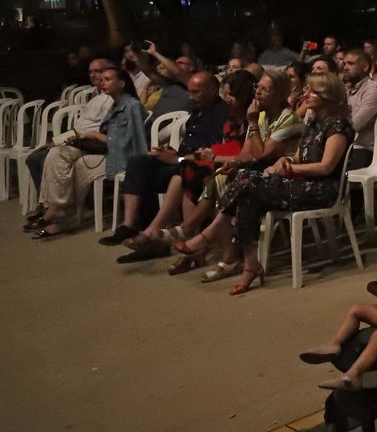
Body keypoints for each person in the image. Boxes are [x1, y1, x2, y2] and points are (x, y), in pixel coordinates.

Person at [173, 71, 350, 294]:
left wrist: (289, 167)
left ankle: (208, 237)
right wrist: (286, 160)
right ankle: (250, 265)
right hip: (301, 182)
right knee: (248, 193)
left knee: (248, 180)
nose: (306, 95)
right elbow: (298, 155)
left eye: (313, 91)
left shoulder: (337, 125)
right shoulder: (314, 122)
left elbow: (326, 167)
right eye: (307, 89)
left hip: (321, 189)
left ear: (328, 95)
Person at [100, 71, 227, 248]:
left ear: (214, 89)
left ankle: (152, 234)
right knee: (138, 162)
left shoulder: (221, 114)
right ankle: (130, 224)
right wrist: (171, 152)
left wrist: (178, 158)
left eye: (196, 92)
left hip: (198, 165)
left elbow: (212, 152)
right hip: (182, 159)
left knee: (182, 171)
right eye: (189, 92)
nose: (191, 97)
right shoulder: (198, 110)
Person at [32, 68, 149, 239]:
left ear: (122, 83)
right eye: (101, 79)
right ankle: (57, 210)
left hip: (122, 159)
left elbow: (135, 143)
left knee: (77, 166)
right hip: (107, 152)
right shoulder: (113, 106)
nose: (102, 82)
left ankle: (60, 217)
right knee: (58, 153)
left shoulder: (133, 106)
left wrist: (97, 135)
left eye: (107, 79)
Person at [341, 50, 377, 161]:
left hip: (365, 149)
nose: (345, 67)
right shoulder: (346, 89)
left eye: (350, 64)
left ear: (365, 67)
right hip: (346, 146)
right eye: (344, 64)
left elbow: (353, 125)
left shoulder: (373, 91)